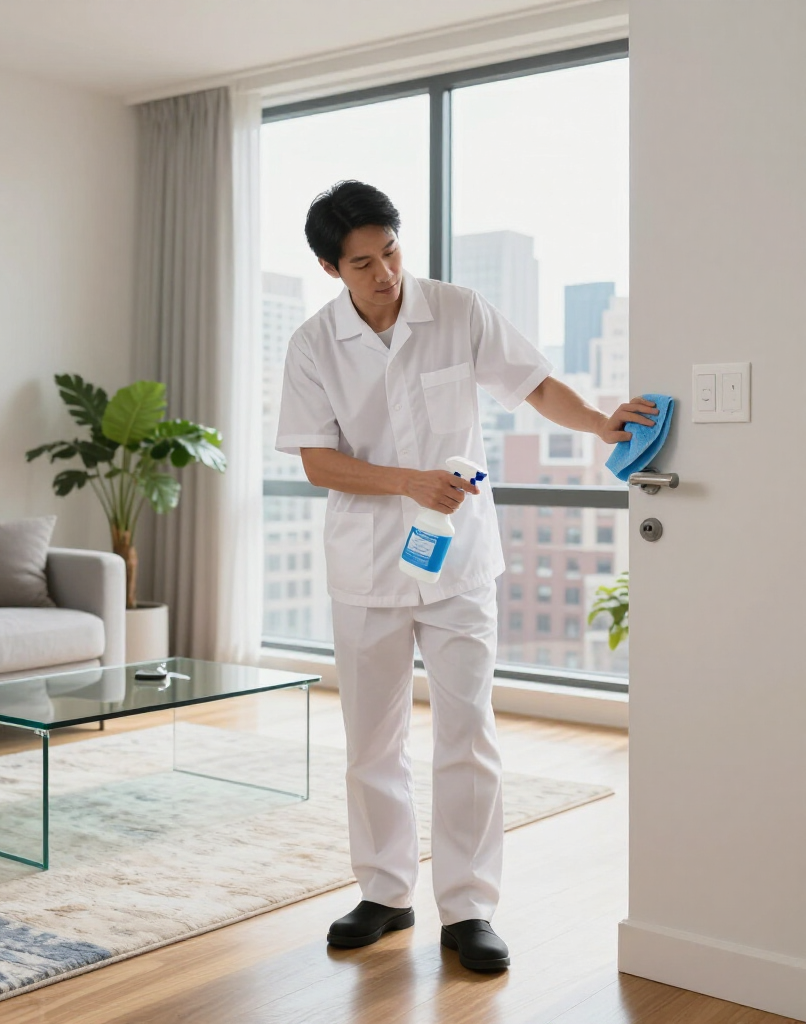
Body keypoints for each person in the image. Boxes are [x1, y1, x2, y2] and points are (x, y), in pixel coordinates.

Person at [275, 180, 655, 972]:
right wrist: (409, 480)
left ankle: (469, 908)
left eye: (391, 253)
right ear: (329, 267)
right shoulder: (313, 345)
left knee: (468, 733)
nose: (385, 274)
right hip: (368, 566)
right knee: (370, 740)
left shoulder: (457, 309)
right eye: (364, 263)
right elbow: (316, 460)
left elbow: (534, 382)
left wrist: (596, 423)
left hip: (458, 563)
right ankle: (383, 891)